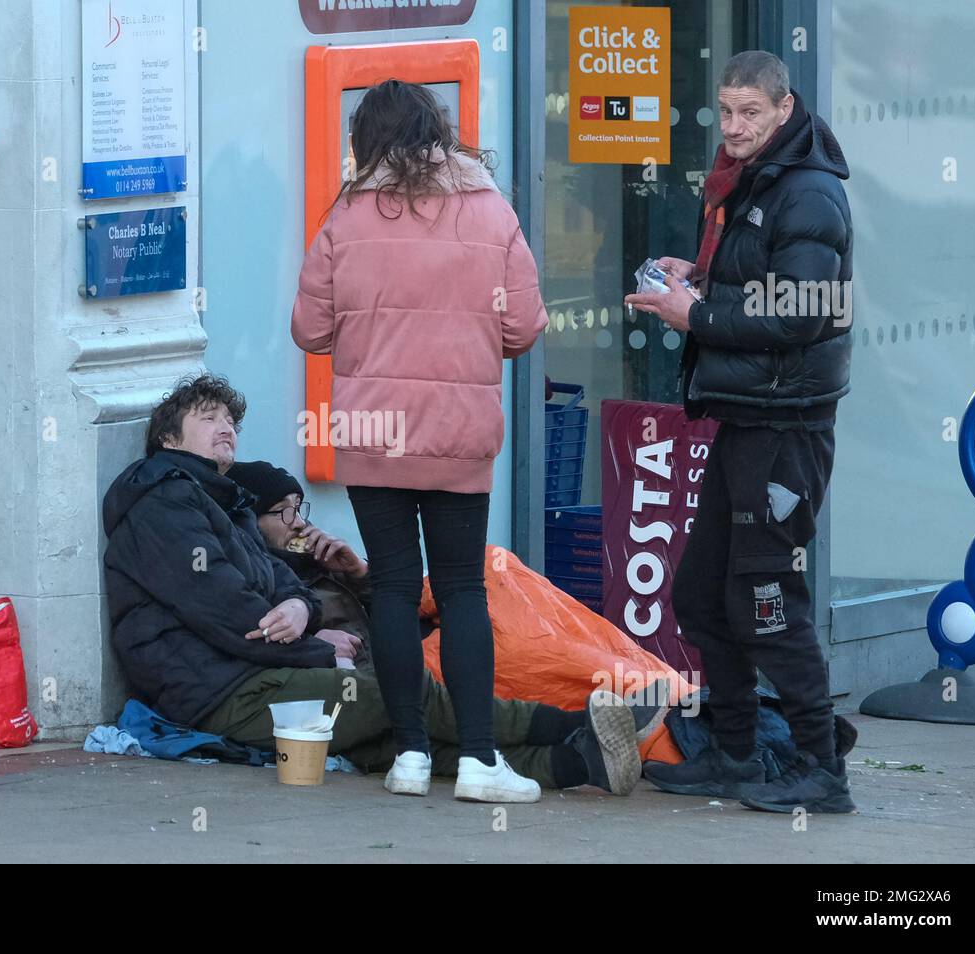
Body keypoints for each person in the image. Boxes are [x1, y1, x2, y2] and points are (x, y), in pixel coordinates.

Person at [102, 376, 647, 801]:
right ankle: (573, 725)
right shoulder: (165, 503)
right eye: (208, 417)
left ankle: (576, 763)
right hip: (216, 692)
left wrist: (300, 605)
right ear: (168, 440)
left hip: (256, 674)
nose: (226, 427)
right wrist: (318, 649)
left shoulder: (225, 500)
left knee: (388, 743)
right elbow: (226, 610)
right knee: (394, 692)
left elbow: (286, 585)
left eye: (230, 419)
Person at [290, 79, 550, 802]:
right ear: (438, 130)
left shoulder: (345, 218)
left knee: (396, 590)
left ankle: (408, 758)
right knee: (462, 589)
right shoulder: (492, 210)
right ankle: (476, 762)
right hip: (459, 435)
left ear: (367, 140)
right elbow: (524, 328)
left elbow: (308, 330)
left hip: (374, 431)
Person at [624, 51, 855, 813]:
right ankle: (735, 756)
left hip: (787, 428)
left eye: (749, 112)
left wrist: (700, 316)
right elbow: (761, 282)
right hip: (747, 417)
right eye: (725, 112)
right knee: (699, 593)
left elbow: (803, 312)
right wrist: (698, 276)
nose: (734, 127)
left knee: (765, 597)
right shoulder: (744, 180)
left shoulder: (811, 191)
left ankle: (823, 772)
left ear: (785, 110)